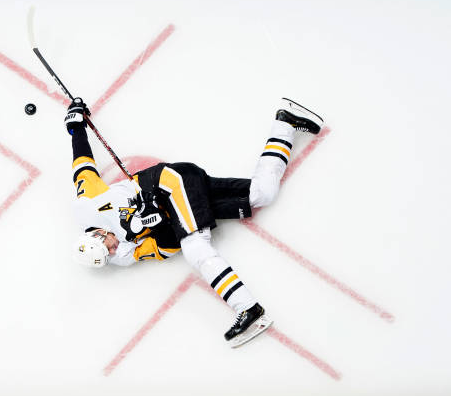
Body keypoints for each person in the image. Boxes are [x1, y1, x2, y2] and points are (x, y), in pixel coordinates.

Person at [65, 97, 324, 347]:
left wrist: (76, 127)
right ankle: (285, 124)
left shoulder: (87, 205)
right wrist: (159, 225)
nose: (113, 251)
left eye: (107, 247)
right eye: (109, 255)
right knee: (261, 194)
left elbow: (82, 165)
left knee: (195, 246)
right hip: (182, 204)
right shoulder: (120, 255)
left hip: (168, 182)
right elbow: (165, 248)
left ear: (97, 234)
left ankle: (248, 308)